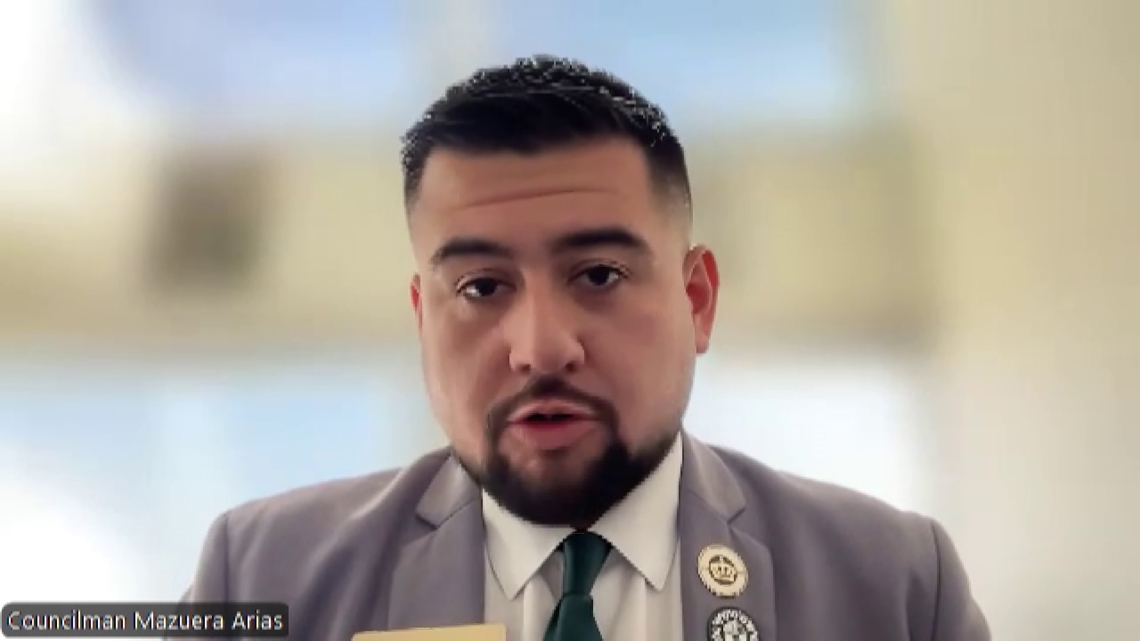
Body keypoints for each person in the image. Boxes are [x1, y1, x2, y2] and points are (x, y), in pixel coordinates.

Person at [182, 55, 990, 641]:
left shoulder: (897, 587)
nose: (541, 348)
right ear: (423, 319)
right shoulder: (256, 580)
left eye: (599, 274)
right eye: (481, 287)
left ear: (697, 299)